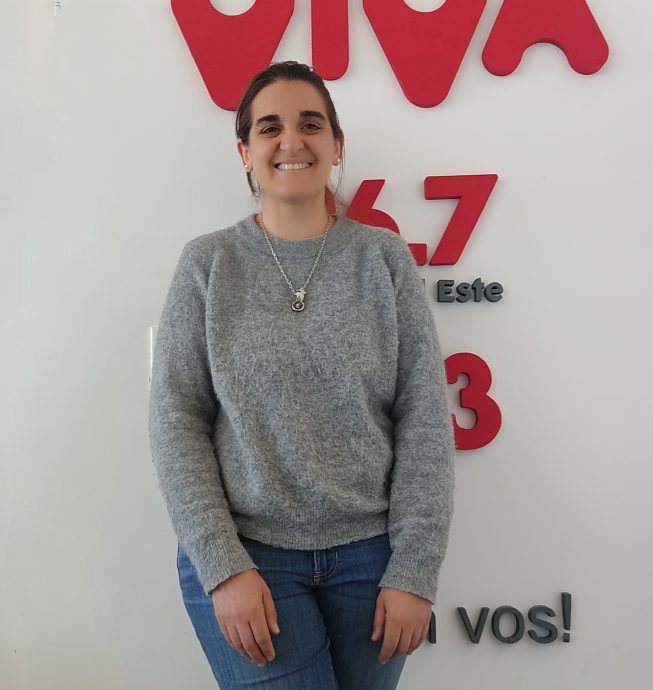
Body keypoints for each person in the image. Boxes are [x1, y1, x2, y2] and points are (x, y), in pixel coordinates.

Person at [148, 60, 455, 690]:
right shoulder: (208, 264)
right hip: (249, 558)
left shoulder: (383, 259)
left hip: (373, 563)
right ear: (245, 152)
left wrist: (415, 569)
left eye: (311, 124)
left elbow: (424, 415)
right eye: (270, 128)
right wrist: (222, 566)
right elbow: (176, 421)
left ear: (337, 146)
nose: (292, 141)